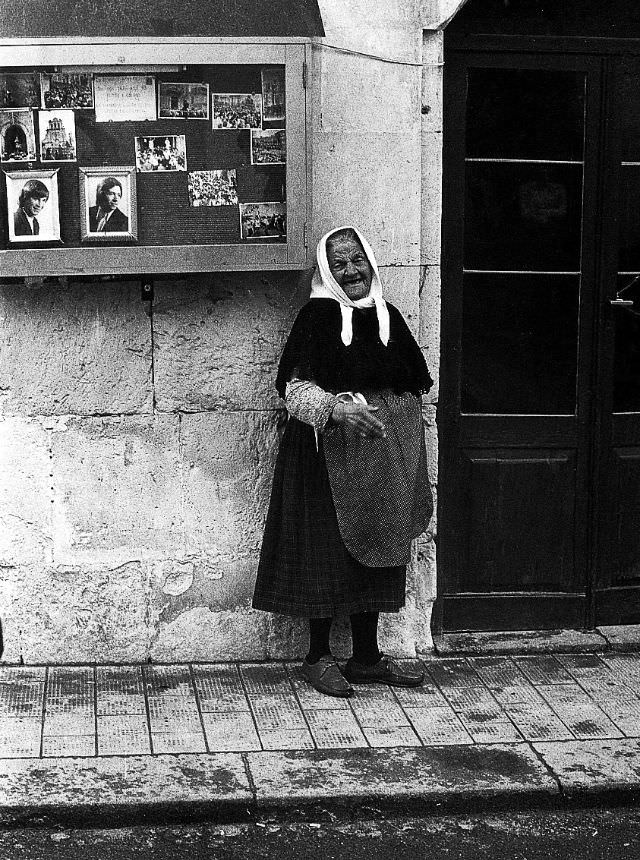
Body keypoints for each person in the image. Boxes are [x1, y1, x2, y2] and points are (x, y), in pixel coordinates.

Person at [252, 226, 434, 697]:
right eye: (340, 264)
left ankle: (368, 658)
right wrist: (337, 410)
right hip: (326, 456)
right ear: (326, 271)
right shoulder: (315, 317)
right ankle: (317, 657)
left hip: (383, 458)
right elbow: (294, 389)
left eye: (358, 261)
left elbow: (413, 383)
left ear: (371, 263)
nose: (351, 271)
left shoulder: (388, 315)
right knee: (325, 553)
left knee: (377, 545)